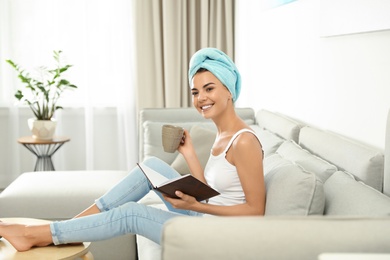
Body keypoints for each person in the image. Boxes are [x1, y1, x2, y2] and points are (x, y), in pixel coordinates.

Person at [0, 47, 265, 252]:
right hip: (205, 216)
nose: (201, 99)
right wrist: (190, 154)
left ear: (229, 90)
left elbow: (256, 211)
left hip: (216, 234)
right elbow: (213, 193)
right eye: (195, 92)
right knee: (150, 166)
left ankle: (37, 235)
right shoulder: (223, 134)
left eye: (209, 89)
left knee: (131, 214)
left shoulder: (244, 141)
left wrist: (198, 206)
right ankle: (69, 228)